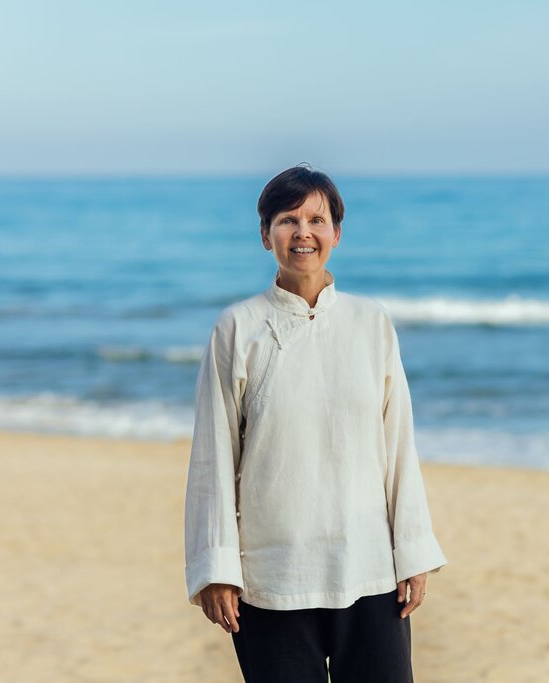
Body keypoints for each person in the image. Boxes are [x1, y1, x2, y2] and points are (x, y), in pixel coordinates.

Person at [184, 164, 448, 683]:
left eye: (316, 219)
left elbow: (399, 447)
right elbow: (213, 456)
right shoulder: (238, 328)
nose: (303, 232)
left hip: (370, 572)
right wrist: (216, 569)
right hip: (272, 579)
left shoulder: (371, 324)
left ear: (336, 234)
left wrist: (412, 550)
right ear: (266, 236)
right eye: (287, 220)